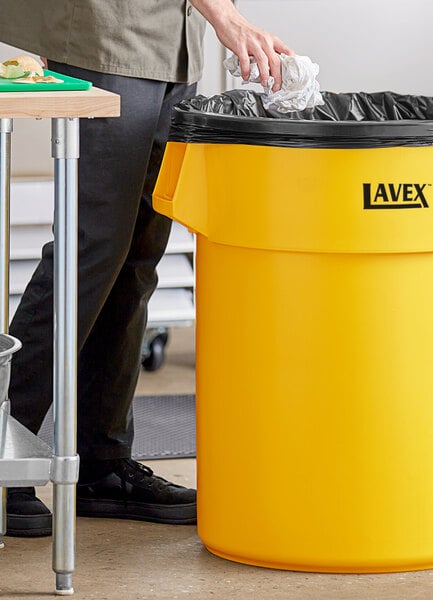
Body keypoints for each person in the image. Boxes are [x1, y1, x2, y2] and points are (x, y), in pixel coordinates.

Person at [0, 0, 293, 536]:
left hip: (172, 38)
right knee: (92, 248)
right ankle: (2, 456)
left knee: (137, 253)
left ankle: (101, 465)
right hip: (110, 30)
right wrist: (225, 15)